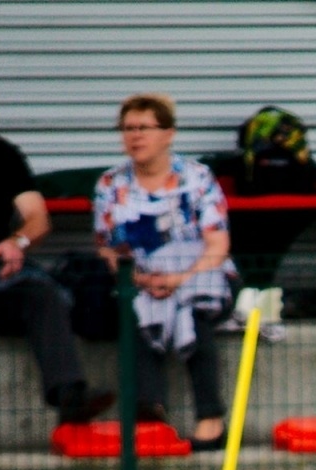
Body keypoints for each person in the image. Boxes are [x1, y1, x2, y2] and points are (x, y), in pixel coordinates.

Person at [0, 66, 114, 425]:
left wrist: (17, 242)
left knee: (43, 292)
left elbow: (37, 219)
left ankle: (70, 396)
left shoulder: (5, 156)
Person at [93, 94, 235, 450]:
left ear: (168, 133)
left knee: (192, 310)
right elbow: (107, 249)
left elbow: (217, 246)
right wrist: (141, 280)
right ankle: (150, 412)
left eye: (143, 127)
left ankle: (211, 420)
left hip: (199, 272)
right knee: (135, 308)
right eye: (127, 128)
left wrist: (178, 279)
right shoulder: (110, 186)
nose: (134, 136)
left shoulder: (198, 177)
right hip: (141, 278)